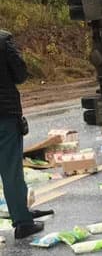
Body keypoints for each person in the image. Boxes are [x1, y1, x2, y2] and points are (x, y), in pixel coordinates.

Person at [0, 30, 46, 240]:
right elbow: (20, 75)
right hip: (4, 115)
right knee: (11, 171)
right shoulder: (3, 40)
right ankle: (23, 222)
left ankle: (22, 211)